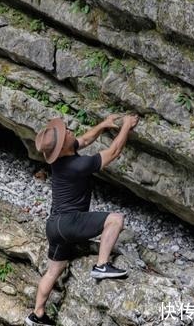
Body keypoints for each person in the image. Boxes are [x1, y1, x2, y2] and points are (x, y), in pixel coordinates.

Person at [25, 113, 140, 326]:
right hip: (69, 222)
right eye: (65, 133)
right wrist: (126, 126)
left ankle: (36, 315)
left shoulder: (60, 157)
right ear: (62, 147)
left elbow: (85, 140)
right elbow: (114, 152)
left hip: (54, 226)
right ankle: (102, 265)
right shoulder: (78, 166)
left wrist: (104, 124)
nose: (68, 130)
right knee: (115, 219)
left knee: (53, 271)